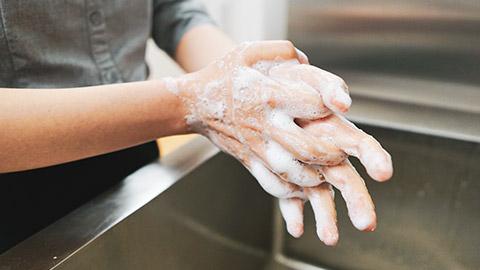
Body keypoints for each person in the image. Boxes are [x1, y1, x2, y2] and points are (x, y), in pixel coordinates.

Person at [0, 0, 392, 253]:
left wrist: (255, 86)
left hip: (135, 156)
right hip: (17, 194)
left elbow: (172, 10)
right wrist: (193, 103)